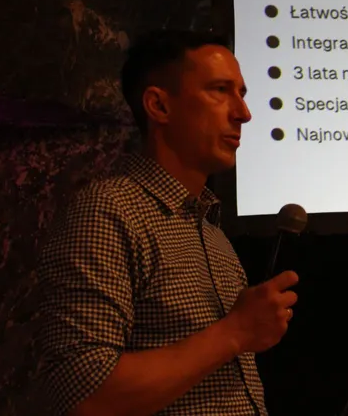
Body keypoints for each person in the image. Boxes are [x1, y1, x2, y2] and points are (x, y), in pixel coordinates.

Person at [35, 29, 297, 415]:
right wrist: (234, 333)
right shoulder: (109, 213)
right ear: (159, 106)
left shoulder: (212, 234)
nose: (243, 113)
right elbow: (83, 396)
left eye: (242, 94)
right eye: (220, 90)